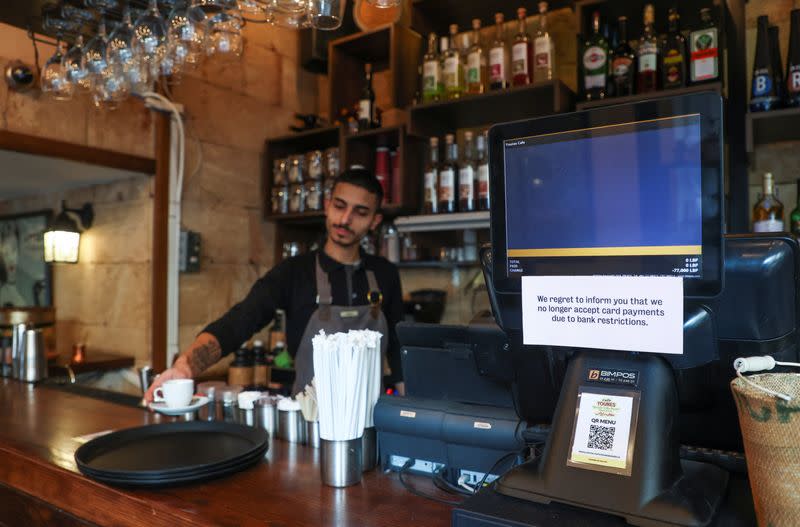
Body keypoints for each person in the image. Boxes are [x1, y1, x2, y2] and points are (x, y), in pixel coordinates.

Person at [145, 168, 404, 402]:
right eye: (339, 206)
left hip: (374, 417)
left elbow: (399, 351)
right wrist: (185, 366)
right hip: (307, 419)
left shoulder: (385, 275)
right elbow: (240, 321)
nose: (345, 219)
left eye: (360, 212)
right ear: (327, 206)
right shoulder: (293, 271)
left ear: (375, 221)